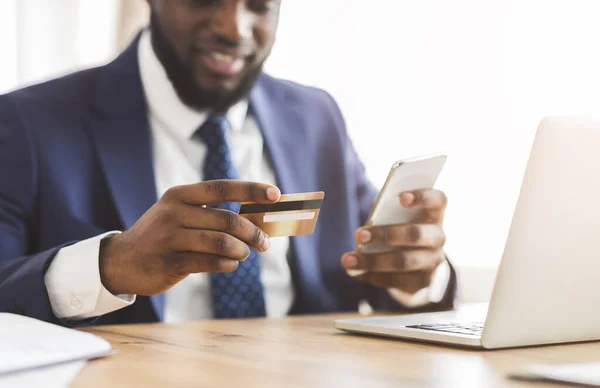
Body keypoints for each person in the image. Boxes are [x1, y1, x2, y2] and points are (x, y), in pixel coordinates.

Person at [0, 0, 455, 325]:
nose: (234, 27)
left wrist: (413, 275)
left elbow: (368, 269)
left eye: (259, 5)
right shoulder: (27, 123)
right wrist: (110, 265)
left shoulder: (317, 117)